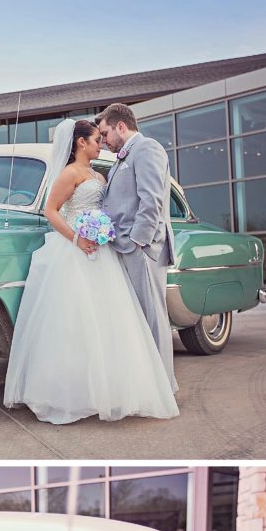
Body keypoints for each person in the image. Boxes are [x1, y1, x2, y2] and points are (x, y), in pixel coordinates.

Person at [3, 118, 178, 425]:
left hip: (103, 251)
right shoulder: (69, 173)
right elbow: (50, 211)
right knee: (74, 325)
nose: (102, 144)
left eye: (103, 137)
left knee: (109, 325)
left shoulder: (98, 174)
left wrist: (104, 232)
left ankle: (109, 390)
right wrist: (76, 238)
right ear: (81, 142)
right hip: (75, 252)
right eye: (97, 139)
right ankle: (72, 392)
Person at [95, 103, 178, 392]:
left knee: (152, 316)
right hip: (125, 246)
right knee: (138, 318)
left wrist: (137, 242)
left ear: (121, 126)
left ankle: (161, 388)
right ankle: (147, 385)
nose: (103, 140)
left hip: (142, 249)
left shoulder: (147, 149)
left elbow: (152, 199)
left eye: (105, 133)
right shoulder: (121, 157)